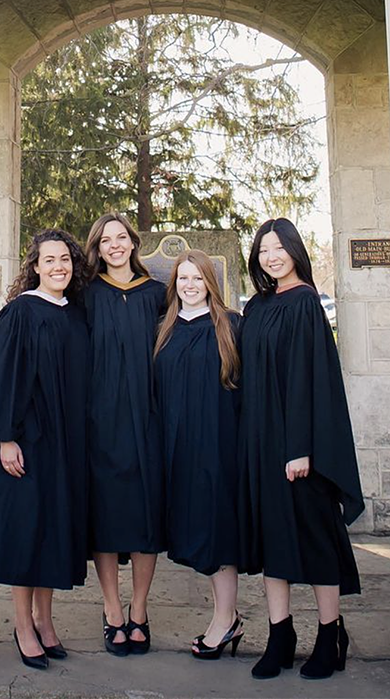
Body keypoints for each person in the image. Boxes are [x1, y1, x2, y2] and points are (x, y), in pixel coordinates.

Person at [238, 218, 364, 681]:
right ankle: (280, 635)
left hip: (298, 451)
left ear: (294, 250)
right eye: (263, 250)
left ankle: (330, 636)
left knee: (315, 543)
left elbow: (311, 382)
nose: (271, 257)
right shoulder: (258, 306)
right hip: (261, 444)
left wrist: (300, 449)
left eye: (278, 248)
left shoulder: (306, 303)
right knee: (275, 543)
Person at [0, 229, 90, 670]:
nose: (59, 266)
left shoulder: (76, 315)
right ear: (35, 267)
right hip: (25, 442)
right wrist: (4, 438)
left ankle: (45, 619)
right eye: (49, 260)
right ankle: (22, 624)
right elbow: (0, 377)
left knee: (53, 533)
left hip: (63, 445)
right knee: (25, 534)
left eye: (65, 259)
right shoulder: (20, 313)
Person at [84, 212, 167, 656]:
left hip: (148, 420)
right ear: (96, 248)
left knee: (144, 518)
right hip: (101, 423)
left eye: (121, 238)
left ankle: (139, 610)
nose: (114, 246)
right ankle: (112, 610)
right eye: (105, 240)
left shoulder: (157, 294)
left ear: (133, 243)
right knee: (108, 517)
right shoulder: (87, 295)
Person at [154, 250, 244, 660]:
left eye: (198, 278)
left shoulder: (230, 326)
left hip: (220, 446)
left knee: (218, 531)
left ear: (211, 282)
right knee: (198, 531)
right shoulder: (165, 329)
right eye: (183, 279)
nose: (190, 286)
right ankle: (227, 617)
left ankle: (225, 620)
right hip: (179, 449)